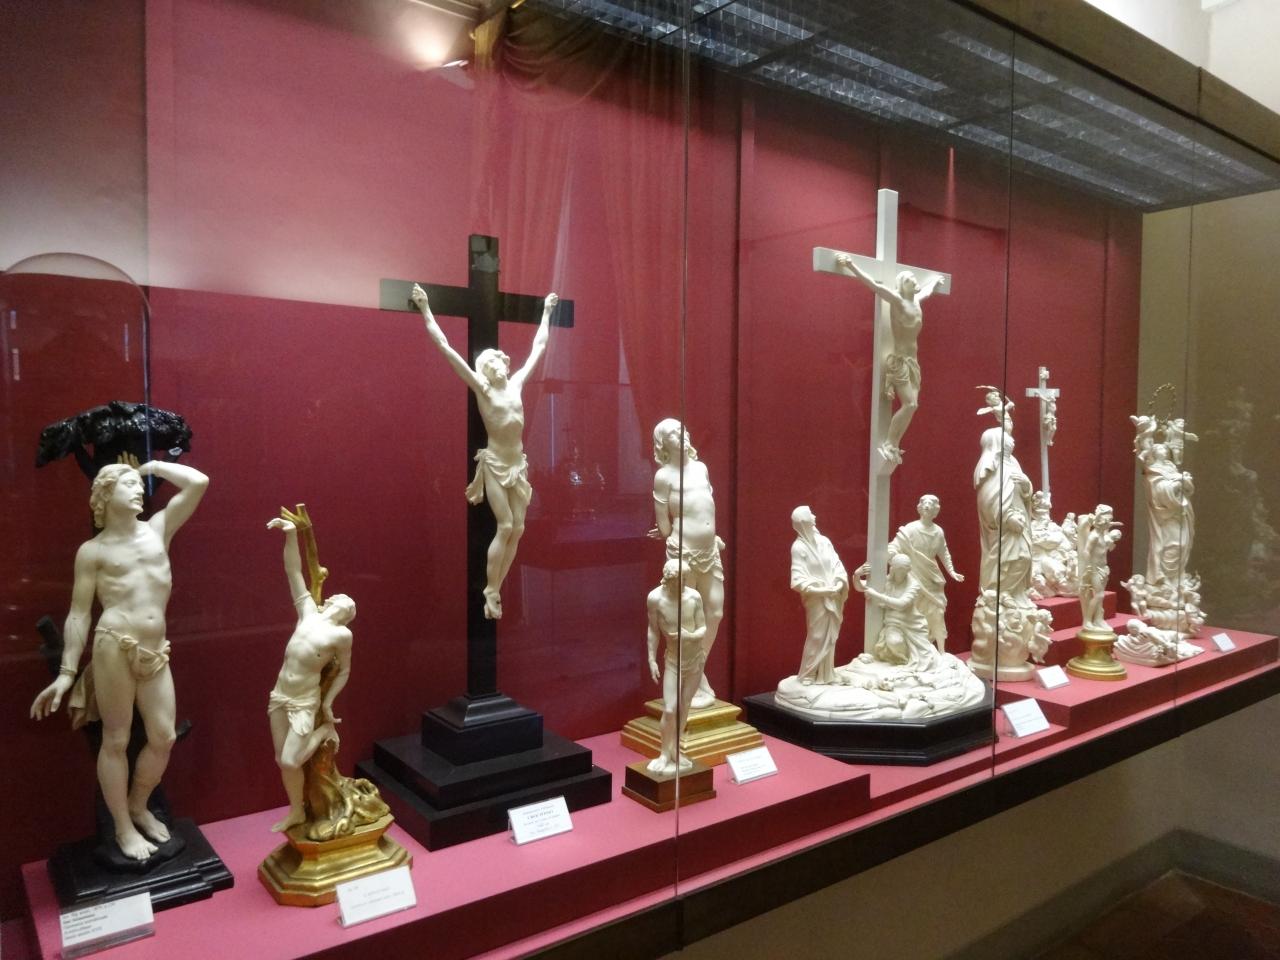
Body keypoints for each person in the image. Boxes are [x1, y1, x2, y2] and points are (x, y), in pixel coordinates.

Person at [30, 460, 208, 861]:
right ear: (106, 495)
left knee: (163, 737)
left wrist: (153, 465)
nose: (139, 489)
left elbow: (199, 482)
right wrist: (66, 673)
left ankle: (138, 805)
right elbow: (79, 614)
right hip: (114, 645)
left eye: (139, 484)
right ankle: (123, 828)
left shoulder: (159, 529)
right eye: (128, 484)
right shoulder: (93, 552)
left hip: (156, 649)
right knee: (116, 739)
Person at [410, 282, 558, 620]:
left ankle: (495, 589)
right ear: (485, 371)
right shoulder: (483, 389)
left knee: (519, 528)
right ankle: (491, 589)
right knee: (505, 526)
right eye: (490, 364)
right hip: (494, 464)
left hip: (517, 465)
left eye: (499, 362)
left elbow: (539, 347)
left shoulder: (517, 384)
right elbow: (446, 348)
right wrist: (426, 308)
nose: (498, 367)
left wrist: (547, 314)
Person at [265, 516, 355, 834]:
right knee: (281, 760)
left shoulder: (342, 636)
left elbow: (344, 670)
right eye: (345, 601)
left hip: (304, 700)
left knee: (291, 760)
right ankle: (296, 811)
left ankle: (323, 732)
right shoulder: (307, 614)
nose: (346, 605)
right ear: (331, 601)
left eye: (350, 607)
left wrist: (327, 705)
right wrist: (291, 535)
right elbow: (294, 572)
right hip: (280, 695)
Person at [835, 255, 943, 465]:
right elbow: (874, 285)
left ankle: (894, 443)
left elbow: (928, 291)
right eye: (909, 279)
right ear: (902, 285)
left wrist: (935, 282)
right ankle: (889, 443)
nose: (914, 280)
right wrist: (850, 265)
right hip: (900, 362)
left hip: (913, 362)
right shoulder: (897, 301)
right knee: (910, 404)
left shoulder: (917, 301)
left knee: (913, 406)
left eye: (914, 278)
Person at [650, 419, 722, 708]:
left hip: (710, 550)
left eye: (681, 430)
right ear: (663, 444)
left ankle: (696, 672)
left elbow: (706, 508)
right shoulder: (664, 476)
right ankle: (693, 681)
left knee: (715, 611)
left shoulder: (701, 468)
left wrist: (712, 537)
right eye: (672, 434)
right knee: (686, 618)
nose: (680, 435)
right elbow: (664, 525)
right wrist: (664, 534)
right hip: (683, 553)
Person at [645, 559, 707, 776]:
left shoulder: (693, 597)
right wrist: (651, 659)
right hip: (673, 660)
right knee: (670, 708)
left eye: (685, 579)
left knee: (684, 706)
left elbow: (703, 628)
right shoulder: (655, 598)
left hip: (695, 659)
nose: (684, 583)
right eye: (680, 579)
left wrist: (688, 636)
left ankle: (675, 748)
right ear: (669, 579)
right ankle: (664, 753)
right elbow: (653, 630)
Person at [887, 494, 964, 653]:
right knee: (915, 611)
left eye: (931, 506)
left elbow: (944, 553)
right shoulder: (910, 529)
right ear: (920, 508)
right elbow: (893, 547)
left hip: (932, 578)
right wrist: (894, 556)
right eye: (925, 504)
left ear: (936, 511)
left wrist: (952, 572)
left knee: (937, 611)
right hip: (913, 575)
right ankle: (915, 649)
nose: (927, 507)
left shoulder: (938, 531)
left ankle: (941, 651)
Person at [973, 425, 1035, 597]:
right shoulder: (991, 465)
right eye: (1007, 437)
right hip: (1007, 524)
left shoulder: (1013, 463)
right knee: (1015, 558)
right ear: (997, 441)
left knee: (1024, 557)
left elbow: (1024, 493)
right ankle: (998, 596)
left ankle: (1009, 595)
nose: (1012, 439)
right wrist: (1007, 517)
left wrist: (1026, 485)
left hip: (1019, 518)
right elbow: (988, 498)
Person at [789, 506, 849, 685]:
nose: (814, 516)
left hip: (833, 596)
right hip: (816, 599)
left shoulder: (824, 541)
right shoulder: (798, 548)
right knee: (817, 636)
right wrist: (823, 591)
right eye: (810, 514)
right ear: (803, 522)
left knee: (830, 638)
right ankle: (808, 673)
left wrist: (839, 582)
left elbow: (837, 564)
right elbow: (797, 580)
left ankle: (827, 674)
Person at [852, 554, 937, 671]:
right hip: (893, 623)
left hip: (912, 624)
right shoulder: (888, 580)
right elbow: (862, 587)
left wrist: (876, 595)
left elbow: (901, 604)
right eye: (897, 570)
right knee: (894, 642)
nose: (899, 574)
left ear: (908, 570)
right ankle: (901, 661)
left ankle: (907, 662)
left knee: (925, 655)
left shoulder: (913, 584)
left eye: (903, 571)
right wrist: (857, 575)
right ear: (892, 568)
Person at [1077, 505, 1122, 630]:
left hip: (1103, 569)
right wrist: (1089, 567)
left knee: (1100, 597)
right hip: (1095, 569)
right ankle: (1087, 621)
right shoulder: (1094, 536)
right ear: (1101, 520)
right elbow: (1086, 551)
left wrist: (1114, 524)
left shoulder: (1102, 533)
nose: (1109, 522)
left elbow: (1107, 525)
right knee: (1099, 595)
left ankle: (1098, 619)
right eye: (1108, 520)